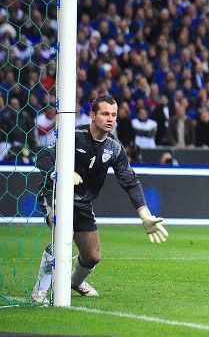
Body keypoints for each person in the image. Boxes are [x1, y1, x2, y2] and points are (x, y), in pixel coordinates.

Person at [31, 95, 169, 304]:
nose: (110, 119)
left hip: (83, 201)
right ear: (92, 115)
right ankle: (39, 293)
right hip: (55, 193)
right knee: (62, 235)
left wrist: (145, 216)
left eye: (113, 115)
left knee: (92, 256)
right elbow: (42, 157)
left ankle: (73, 282)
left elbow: (130, 181)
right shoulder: (73, 136)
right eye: (105, 114)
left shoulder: (114, 148)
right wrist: (57, 174)